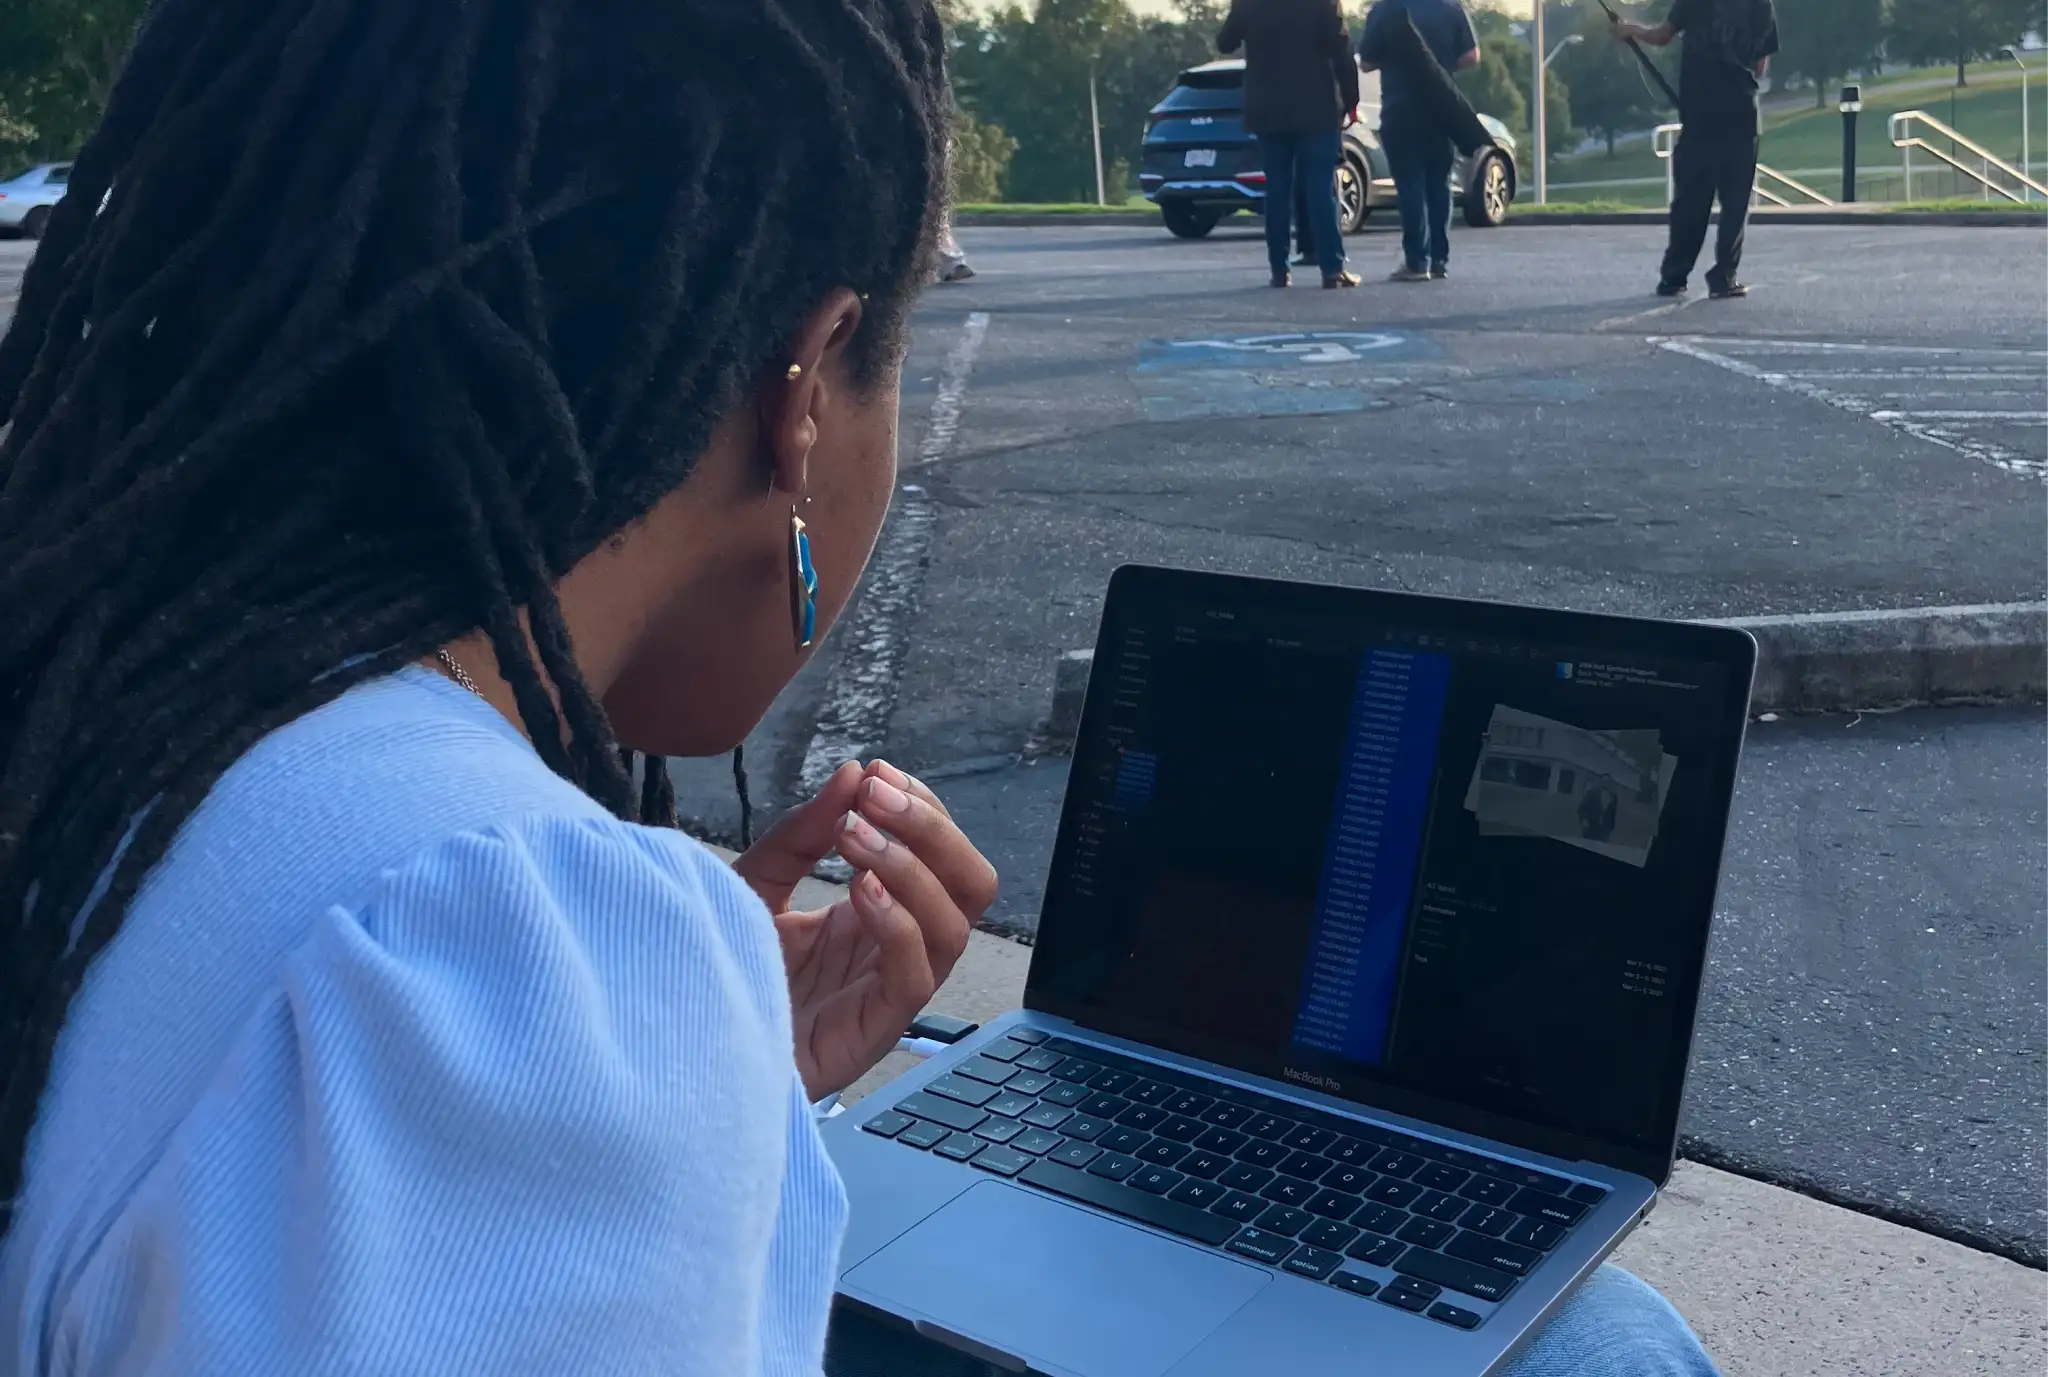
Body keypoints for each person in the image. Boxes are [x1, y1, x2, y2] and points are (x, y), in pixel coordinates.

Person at [0, 3, 1724, 1374]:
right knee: (1614, 1353)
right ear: (807, 386)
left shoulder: (115, 712)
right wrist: (638, 1044)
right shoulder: (479, 962)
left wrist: (739, 1080)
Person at [1611, 0, 1780, 298]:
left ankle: (1674, 276)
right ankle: (1723, 277)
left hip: (1699, 112)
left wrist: (1631, 30)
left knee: (1690, 201)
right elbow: (1760, 64)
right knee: (1735, 204)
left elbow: (1662, 35)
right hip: (1741, 113)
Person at [1218, 0, 1363, 289]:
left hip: (1268, 108)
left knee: (1277, 190)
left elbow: (1225, 43)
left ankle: (1279, 269)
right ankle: (1332, 268)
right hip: (1315, 106)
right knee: (1320, 189)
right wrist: (1351, 99)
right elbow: (1341, 50)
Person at [1359, 0, 1480, 282]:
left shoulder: (1385, 10)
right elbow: (1472, 56)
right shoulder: (1451, 8)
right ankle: (1439, 259)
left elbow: (1365, 62)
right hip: (1441, 107)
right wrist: (1440, 67)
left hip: (1400, 109)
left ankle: (1416, 260)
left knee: (1409, 185)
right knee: (1439, 183)